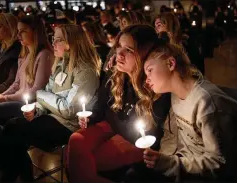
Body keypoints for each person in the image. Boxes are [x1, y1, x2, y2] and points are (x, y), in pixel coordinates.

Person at [0, 24, 101, 182]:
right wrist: (36, 110)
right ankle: (20, 177)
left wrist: (40, 95)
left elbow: (68, 109)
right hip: (52, 119)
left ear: (71, 42)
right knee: (11, 128)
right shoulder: (59, 66)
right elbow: (49, 98)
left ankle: (14, 178)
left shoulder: (85, 71)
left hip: (69, 127)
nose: (53, 43)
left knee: (15, 131)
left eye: (58, 40)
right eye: (53, 38)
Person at [67, 24, 171, 183]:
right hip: (118, 127)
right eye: (119, 47)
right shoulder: (117, 74)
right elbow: (101, 107)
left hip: (138, 142)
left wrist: (111, 116)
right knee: (76, 140)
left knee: (89, 161)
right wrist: (90, 118)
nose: (119, 54)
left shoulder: (155, 84)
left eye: (129, 50)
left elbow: (140, 134)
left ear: (144, 54)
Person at [130, 41, 237, 182]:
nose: (147, 80)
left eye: (149, 70)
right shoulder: (176, 95)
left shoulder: (206, 102)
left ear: (170, 64)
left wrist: (170, 163)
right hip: (189, 168)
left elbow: (219, 163)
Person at [0, 15, 54, 174]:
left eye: (23, 31)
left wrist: (2, 98)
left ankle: (3, 160)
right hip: (17, 99)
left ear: (35, 32)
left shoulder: (44, 55)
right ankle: (7, 160)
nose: (18, 35)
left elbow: (36, 91)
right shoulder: (25, 54)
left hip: (30, 104)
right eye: (18, 31)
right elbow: (16, 84)